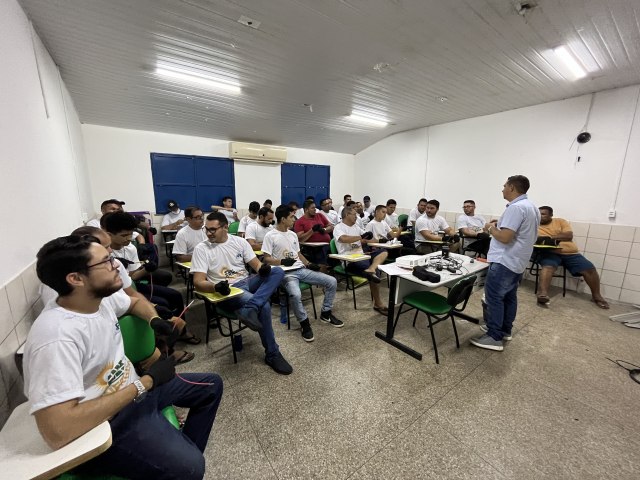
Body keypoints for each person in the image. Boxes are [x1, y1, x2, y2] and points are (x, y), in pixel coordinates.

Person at [24, 235, 222, 479]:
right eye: (106, 261)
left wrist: (155, 320)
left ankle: (171, 456)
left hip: (136, 392)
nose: (117, 265)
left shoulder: (98, 298)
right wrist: (146, 382)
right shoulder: (56, 337)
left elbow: (133, 303)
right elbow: (58, 431)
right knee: (192, 469)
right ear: (75, 279)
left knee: (211, 386)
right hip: (109, 421)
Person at [191, 212, 292, 374]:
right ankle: (272, 354)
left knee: (277, 271)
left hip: (246, 283)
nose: (208, 233)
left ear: (225, 227)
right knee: (264, 306)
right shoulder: (202, 249)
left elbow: (256, 265)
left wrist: (262, 269)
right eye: (206, 229)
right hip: (227, 290)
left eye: (212, 230)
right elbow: (198, 281)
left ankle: (250, 308)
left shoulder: (239, 242)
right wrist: (216, 287)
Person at [470, 175, 539, 352]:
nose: (502, 189)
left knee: (494, 298)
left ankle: (494, 336)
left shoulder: (516, 208)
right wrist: (499, 224)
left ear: (512, 188)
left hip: (504, 261)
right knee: (509, 297)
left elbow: (505, 237)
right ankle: (505, 330)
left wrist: (490, 228)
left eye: (504, 186)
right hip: (517, 261)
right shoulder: (532, 207)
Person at [263, 205, 343, 342]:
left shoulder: (293, 234)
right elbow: (266, 258)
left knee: (332, 281)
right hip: (285, 273)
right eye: (291, 217)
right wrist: (281, 261)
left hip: (301, 269)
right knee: (295, 294)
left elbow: (298, 254)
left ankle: (326, 313)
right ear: (283, 219)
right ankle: (304, 323)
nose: (294, 219)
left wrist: (309, 264)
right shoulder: (270, 235)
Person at [103, 212, 185, 316]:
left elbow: (133, 277)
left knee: (175, 295)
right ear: (109, 235)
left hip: (132, 286)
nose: (129, 239)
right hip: (117, 293)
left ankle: (181, 330)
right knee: (163, 303)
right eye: (124, 235)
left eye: (130, 234)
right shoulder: (103, 254)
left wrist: (146, 269)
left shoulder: (131, 248)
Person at [536, 206, 609, 309]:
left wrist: (549, 238)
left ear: (551, 215)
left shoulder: (560, 221)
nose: (540, 216)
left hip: (571, 253)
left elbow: (568, 236)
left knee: (589, 268)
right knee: (548, 267)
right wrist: (556, 236)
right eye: (539, 214)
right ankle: (542, 294)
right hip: (549, 252)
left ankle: (597, 296)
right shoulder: (534, 224)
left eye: (543, 214)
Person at [333, 206, 389, 315]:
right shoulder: (338, 227)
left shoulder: (356, 227)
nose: (356, 216)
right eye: (354, 214)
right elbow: (343, 239)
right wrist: (360, 237)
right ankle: (378, 303)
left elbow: (366, 238)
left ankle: (371, 269)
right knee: (375, 273)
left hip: (362, 256)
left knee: (383, 251)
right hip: (349, 259)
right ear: (346, 215)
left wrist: (380, 240)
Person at [293, 200, 332, 267]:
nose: (315, 210)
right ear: (306, 209)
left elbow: (331, 226)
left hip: (327, 244)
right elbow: (300, 239)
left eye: (315, 208)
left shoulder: (319, 215)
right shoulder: (300, 221)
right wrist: (312, 231)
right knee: (320, 252)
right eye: (313, 208)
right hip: (311, 248)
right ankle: (323, 272)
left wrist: (324, 230)